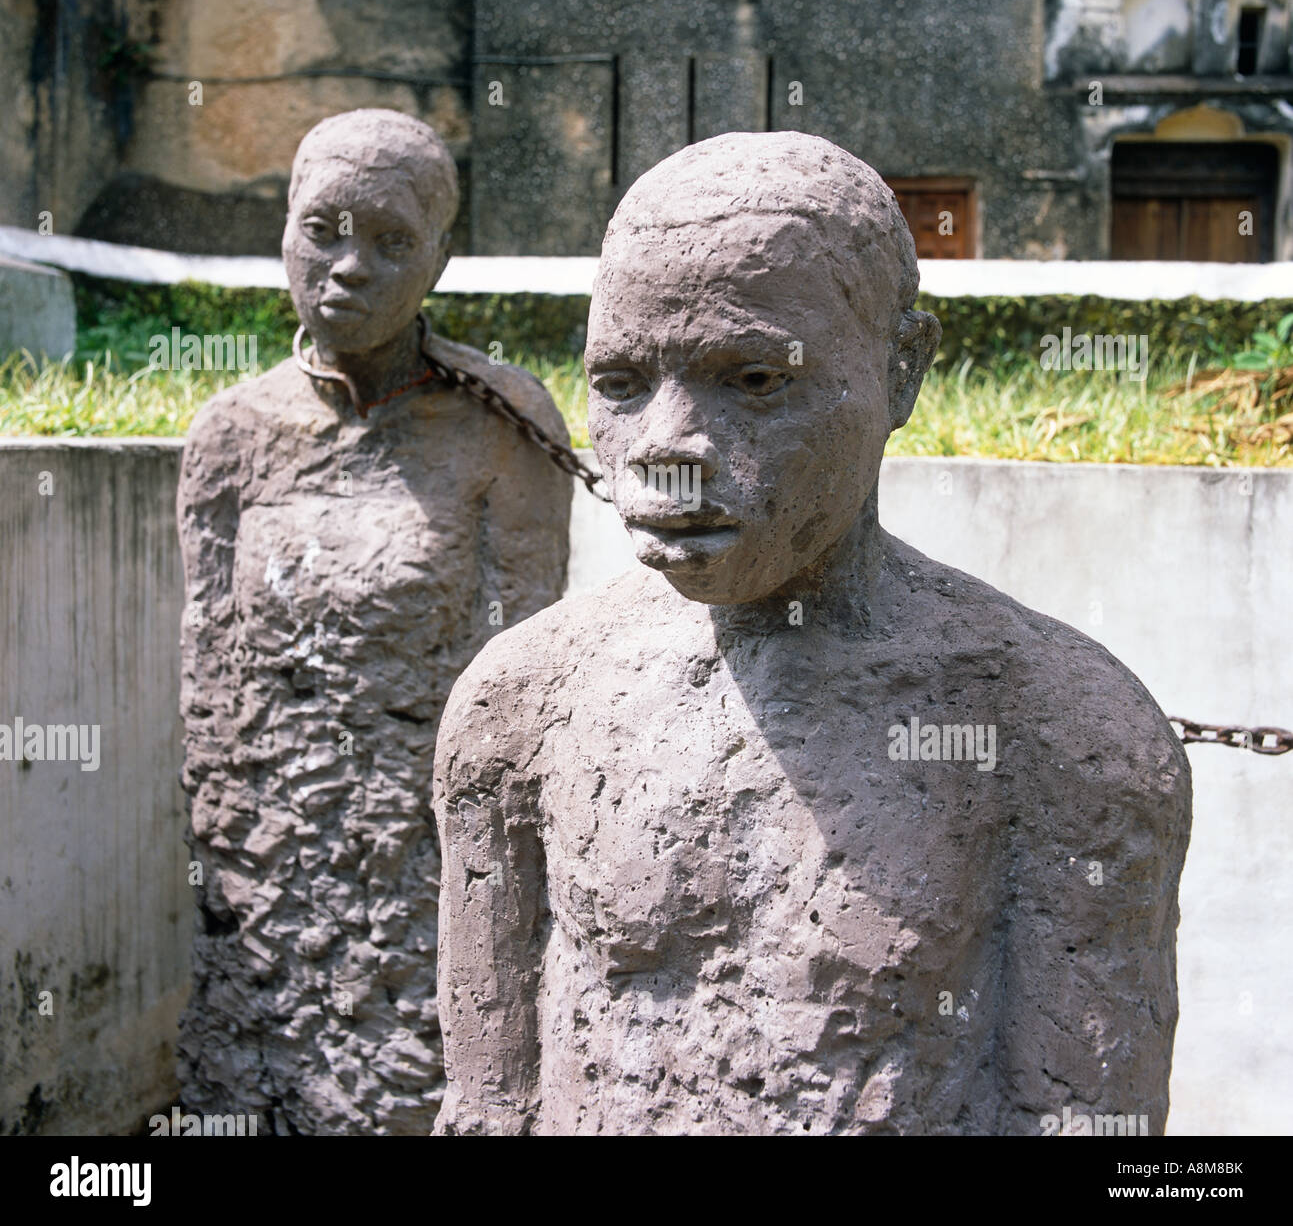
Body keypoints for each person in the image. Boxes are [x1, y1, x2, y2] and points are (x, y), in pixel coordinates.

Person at [433, 131, 1191, 1136]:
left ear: (903, 369)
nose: (663, 450)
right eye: (619, 382)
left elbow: (1088, 1119)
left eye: (751, 381)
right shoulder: (517, 712)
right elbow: (487, 1107)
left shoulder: (1067, 735)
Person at [177, 109, 570, 1133]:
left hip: (426, 862)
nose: (351, 266)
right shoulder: (228, 438)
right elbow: (210, 685)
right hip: (270, 862)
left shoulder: (502, 427)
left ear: (440, 257)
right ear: (285, 232)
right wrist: (230, 864)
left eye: (393, 240)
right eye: (325, 229)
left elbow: (526, 686)